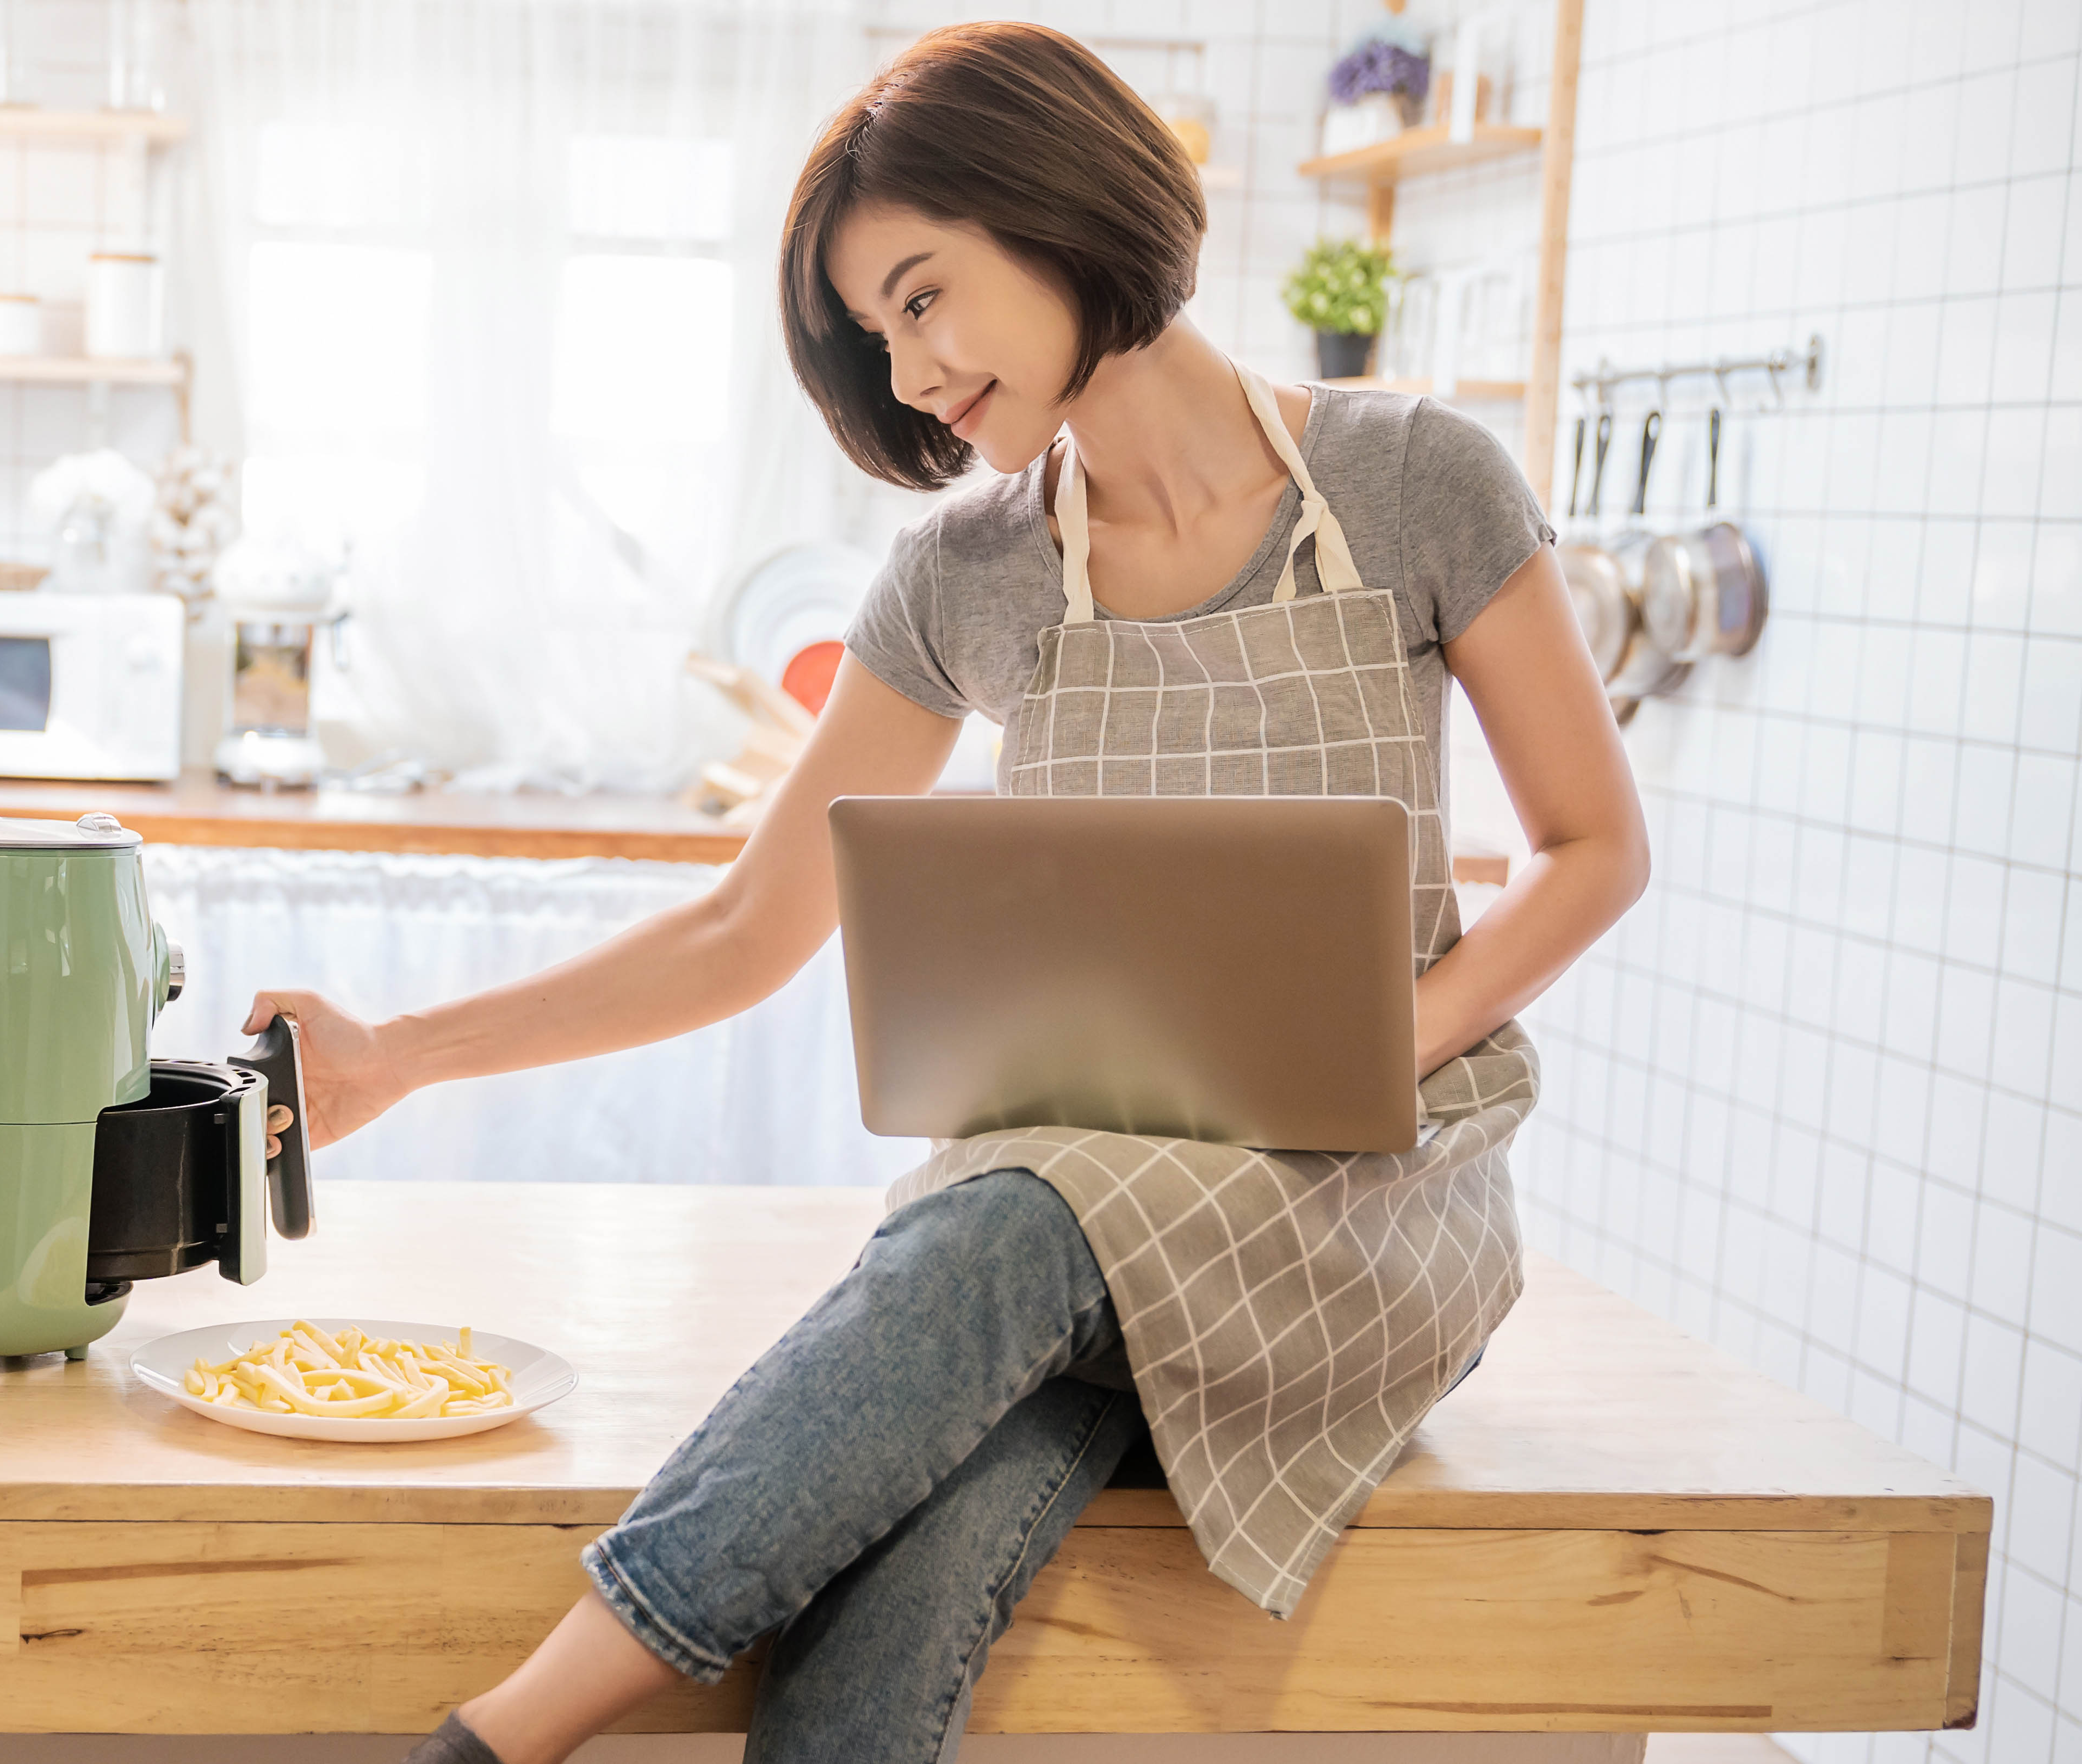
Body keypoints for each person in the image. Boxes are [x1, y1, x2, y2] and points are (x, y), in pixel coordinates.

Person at [241, 22, 1648, 1764]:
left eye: (922, 298)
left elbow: (1597, 847)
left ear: (1058, 207)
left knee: (996, 1217)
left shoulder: (1415, 477)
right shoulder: (967, 575)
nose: (906, 372)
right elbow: (746, 926)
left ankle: (501, 1736)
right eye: (877, 332)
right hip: (1074, 1227)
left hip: (1356, 1199)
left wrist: (1376, 1045)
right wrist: (397, 1056)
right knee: (898, 1567)